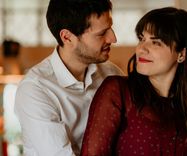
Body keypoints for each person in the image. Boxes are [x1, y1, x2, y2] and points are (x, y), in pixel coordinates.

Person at [81, 7, 187, 156]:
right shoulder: (118, 91)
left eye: (155, 42)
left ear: (182, 54)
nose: (141, 49)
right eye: (142, 39)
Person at [14, 0, 123, 155]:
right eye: (101, 33)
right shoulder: (35, 89)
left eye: (110, 28)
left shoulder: (112, 74)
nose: (113, 38)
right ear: (67, 37)